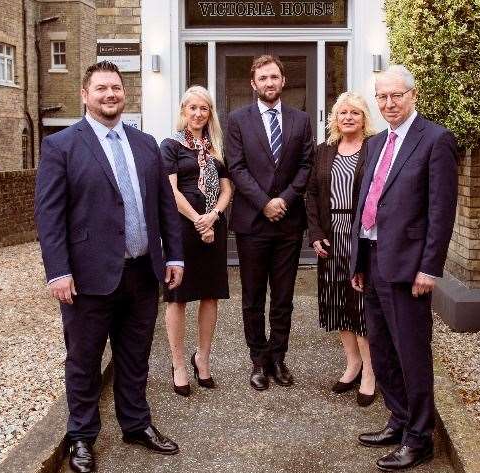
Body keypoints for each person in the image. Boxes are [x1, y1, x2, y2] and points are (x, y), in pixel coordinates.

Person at [35, 61, 184, 473]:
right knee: (83, 360)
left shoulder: (145, 143)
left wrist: (174, 256)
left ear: (124, 93)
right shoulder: (61, 146)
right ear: (85, 94)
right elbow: (49, 217)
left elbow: (163, 206)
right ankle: (81, 436)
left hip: (141, 273)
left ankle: (136, 425)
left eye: (116, 88)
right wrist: (58, 271)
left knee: (135, 357)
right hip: (86, 278)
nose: (110, 95)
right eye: (101, 88)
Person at [349, 65, 458, 472]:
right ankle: (398, 419)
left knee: (412, 352)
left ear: (413, 95)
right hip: (374, 258)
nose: (388, 103)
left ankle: (420, 438)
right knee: (382, 347)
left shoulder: (436, 140)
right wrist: (359, 261)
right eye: (382, 97)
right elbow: (367, 204)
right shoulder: (376, 143)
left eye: (396, 96)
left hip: (410, 266)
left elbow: (441, 211)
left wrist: (429, 268)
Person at [226, 55, 314, 391]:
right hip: (252, 223)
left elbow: (306, 165)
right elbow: (236, 167)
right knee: (252, 296)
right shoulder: (238, 120)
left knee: (283, 296)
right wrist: (264, 203)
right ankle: (258, 360)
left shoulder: (300, 119)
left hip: (289, 223)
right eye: (263, 78)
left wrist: (285, 200)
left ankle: (278, 357)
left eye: (274, 77)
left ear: (283, 80)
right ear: (253, 83)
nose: (269, 83)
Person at [160, 85, 232, 397]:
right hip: (182, 229)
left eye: (204, 109)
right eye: (193, 108)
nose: (199, 114)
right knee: (178, 297)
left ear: (210, 113)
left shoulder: (215, 147)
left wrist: (213, 215)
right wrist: (197, 219)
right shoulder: (171, 145)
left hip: (213, 229)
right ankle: (178, 364)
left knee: (210, 295)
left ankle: (202, 359)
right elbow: (171, 191)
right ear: (184, 111)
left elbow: (228, 188)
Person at [306, 92, 377, 406]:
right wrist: (316, 233)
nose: (348, 117)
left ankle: (371, 373)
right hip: (330, 235)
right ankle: (353, 364)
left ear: (364, 119)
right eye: (343, 112)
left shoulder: (374, 149)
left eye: (355, 113)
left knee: (360, 304)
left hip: (360, 235)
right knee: (335, 303)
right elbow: (310, 195)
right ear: (335, 118)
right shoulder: (323, 152)